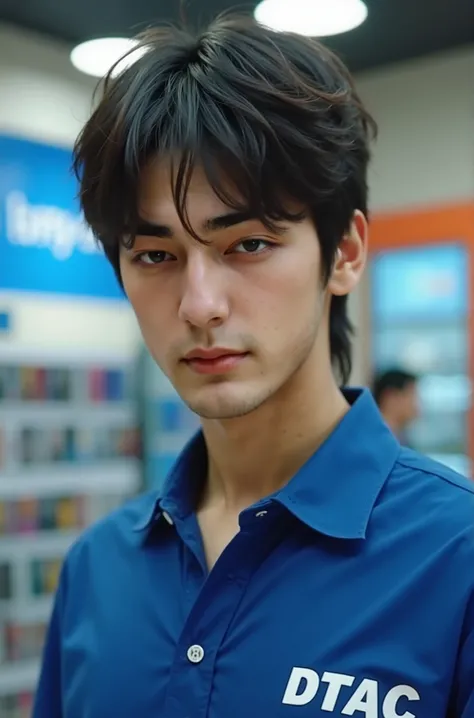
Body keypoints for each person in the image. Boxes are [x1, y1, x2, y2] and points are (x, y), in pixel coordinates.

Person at [33, 14, 473, 718]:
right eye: (155, 255)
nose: (200, 304)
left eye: (248, 244)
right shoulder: (98, 571)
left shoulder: (455, 559)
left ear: (346, 253)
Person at [372, 368, 420, 441]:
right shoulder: (373, 439)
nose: (416, 404)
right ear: (390, 396)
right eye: (411, 395)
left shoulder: (401, 438)